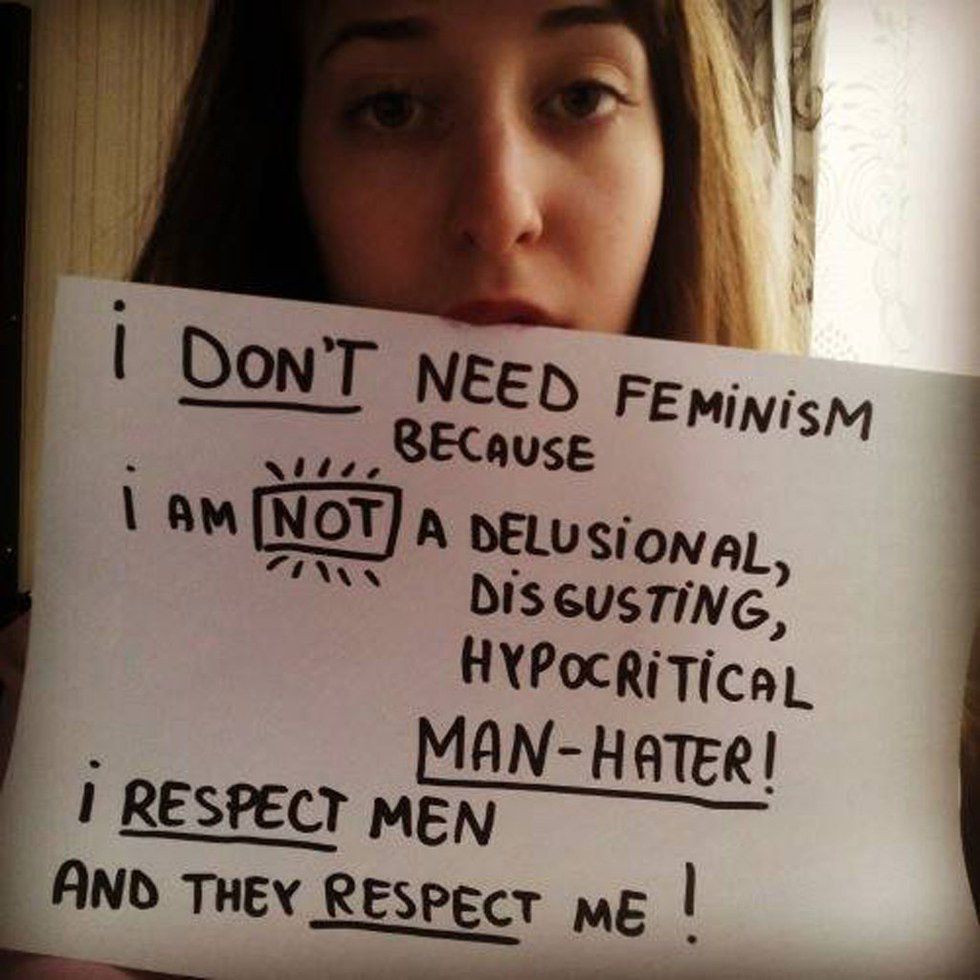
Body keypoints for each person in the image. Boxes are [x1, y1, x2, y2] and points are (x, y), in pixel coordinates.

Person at [0, 1, 805, 976]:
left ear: (675, 145)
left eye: (580, 96)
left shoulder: (833, 696)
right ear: (283, 160)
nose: (498, 207)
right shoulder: (73, 696)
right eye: (391, 107)